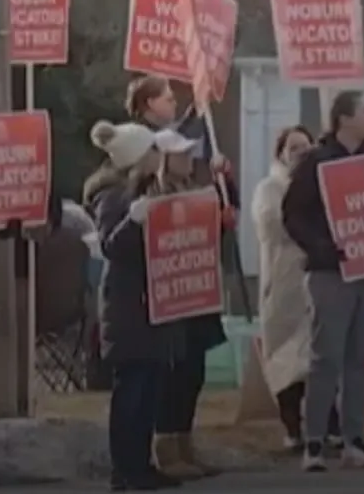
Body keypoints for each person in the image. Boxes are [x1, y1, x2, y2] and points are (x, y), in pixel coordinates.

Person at [281, 90, 364, 472]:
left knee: (360, 357)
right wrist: (323, 248)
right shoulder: (315, 161)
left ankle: (354, 439)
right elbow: (293, 215)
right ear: (344, 118)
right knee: (326, 358)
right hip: (330, 272)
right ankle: (315, 442)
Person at [87, 120, 182, 491]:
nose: (160, 156)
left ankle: (141, 463)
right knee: (132, 391)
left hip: (152, 304)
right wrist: (133, 221)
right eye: (153, 151)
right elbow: (111, 246)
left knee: (150, 390)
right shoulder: (113, 197)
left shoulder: (149, 190)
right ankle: (124, 468)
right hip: (127, 307)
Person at [151, 128, 229, 480]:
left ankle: (185, 442)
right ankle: (166, 447)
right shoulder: (152, 194)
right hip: (170, 300)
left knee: (193, 374)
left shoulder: (191, 192)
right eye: (180, 155)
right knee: (174, 375)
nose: (187, 159)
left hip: (196, 295)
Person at [251, 125, 315, 449]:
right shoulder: (269, 188)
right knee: (286, 360)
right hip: (283, 282)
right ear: (281, 153)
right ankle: (292, 428)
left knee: (318, 356)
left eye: (306, 147)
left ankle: (322, 425)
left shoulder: (319, 183)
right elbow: (273, 223)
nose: (301, 153)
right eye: (294, 148)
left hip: (316, 280)